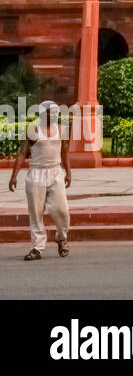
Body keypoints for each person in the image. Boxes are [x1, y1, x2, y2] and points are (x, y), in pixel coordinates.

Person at [7, 101, 71, 260]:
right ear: (42, 114)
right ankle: (37, 247)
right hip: (36, 175)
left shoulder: (61, 130)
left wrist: (68, 172)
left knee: (61, 210)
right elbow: (22, 153)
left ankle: (61, 238)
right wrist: (14, 176)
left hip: (55, 173)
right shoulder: (33, 131)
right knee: (36, 213)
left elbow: (64, 152)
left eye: (56, 113)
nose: (55, 115)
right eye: (52, 113)